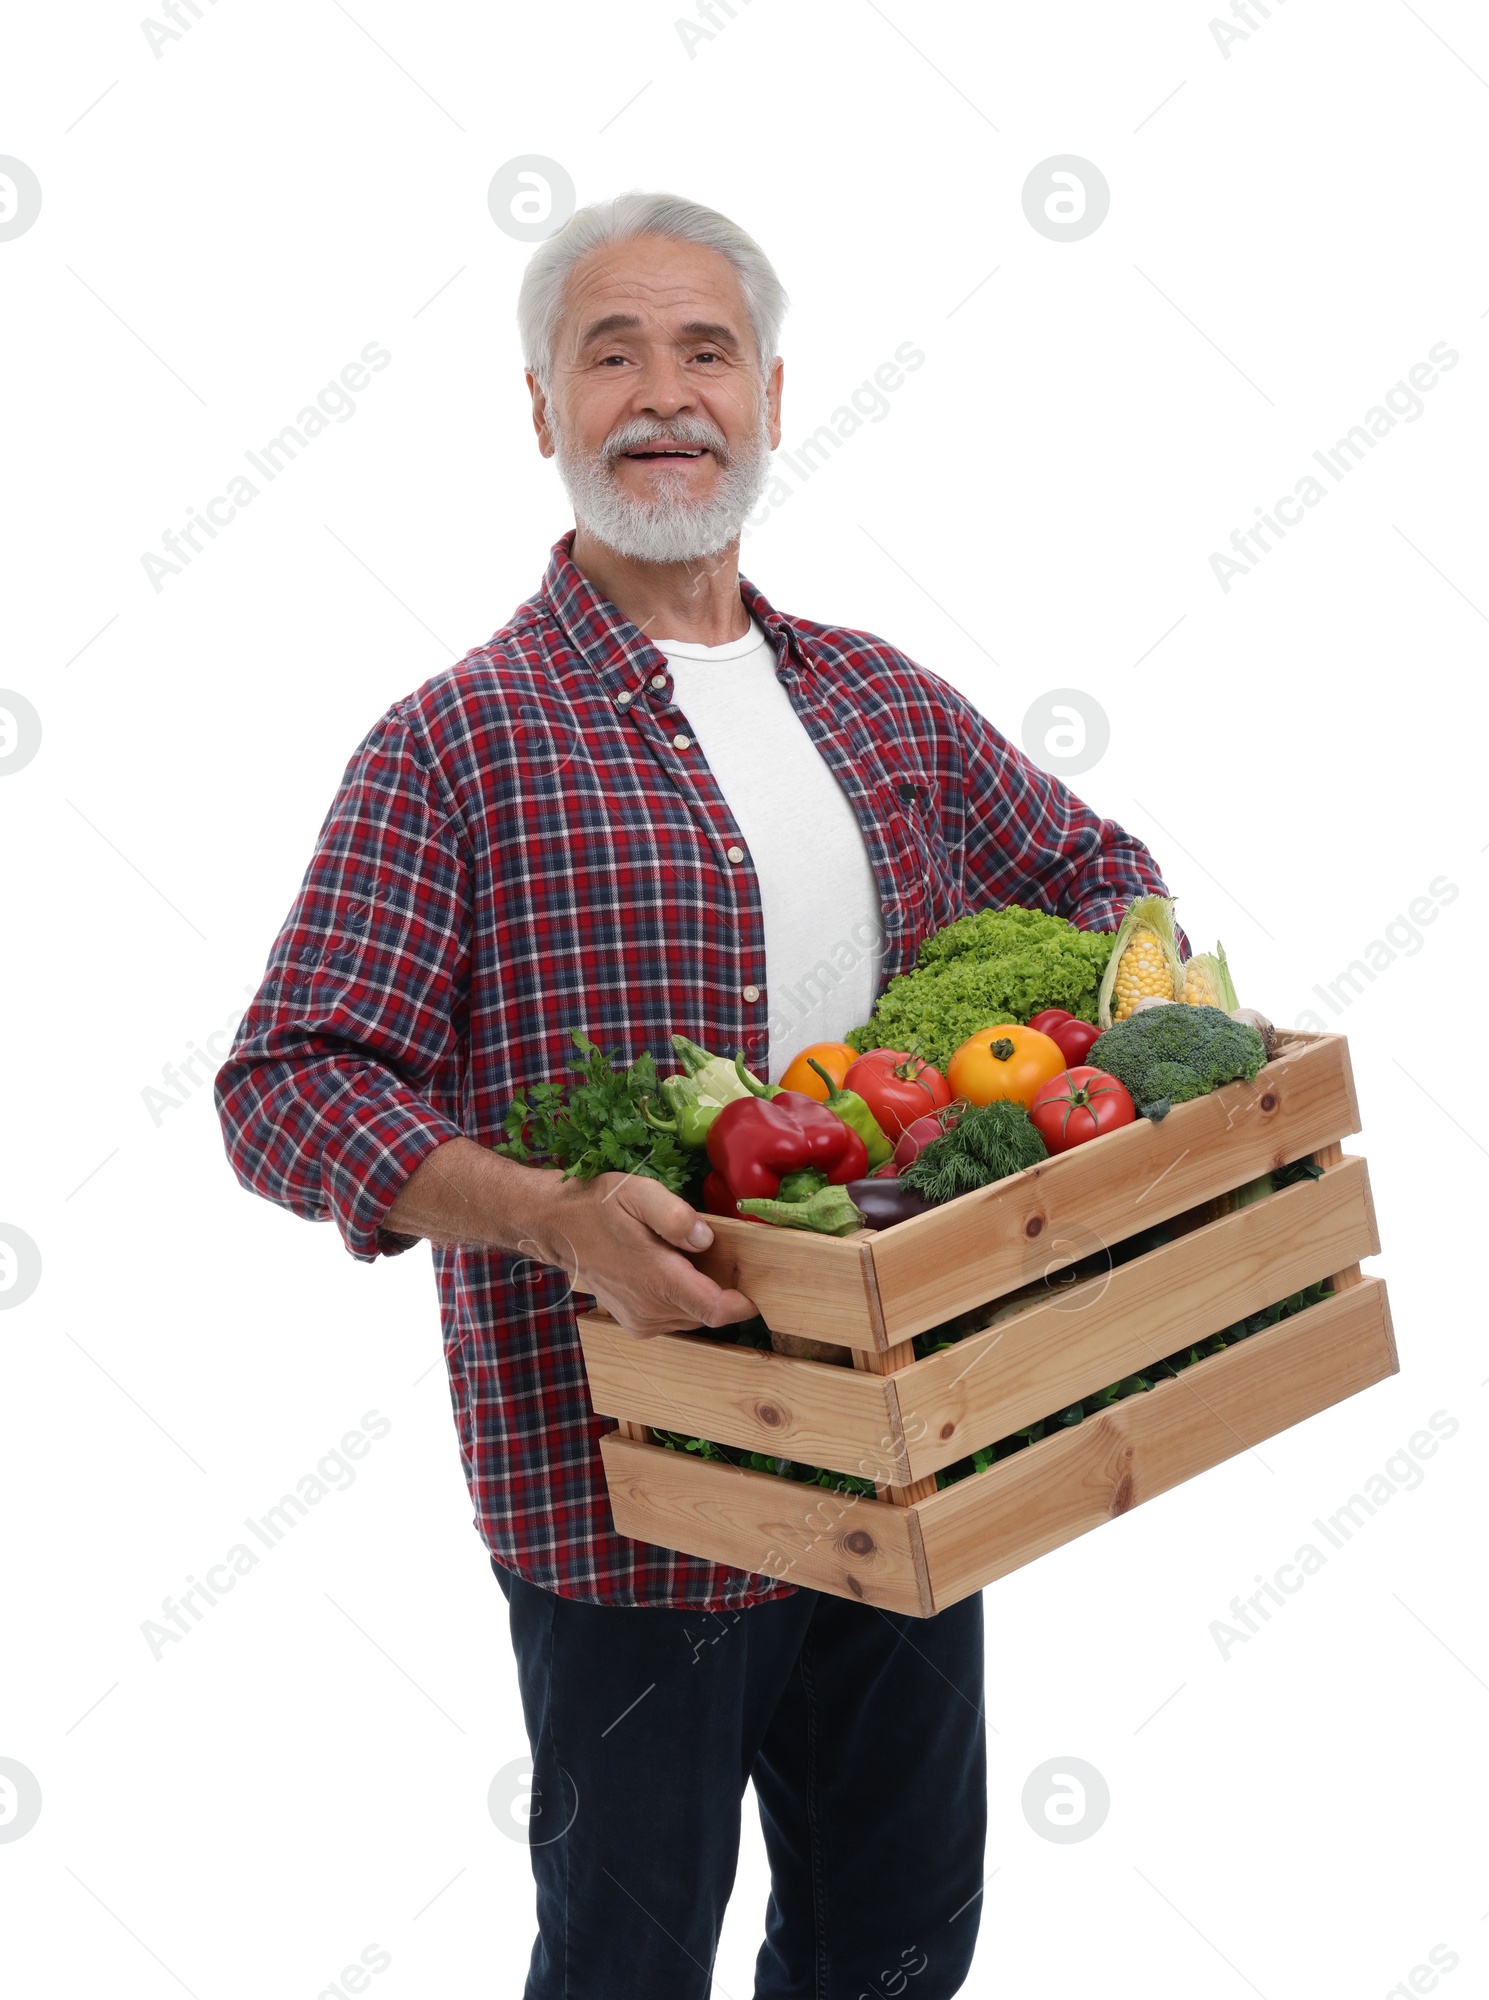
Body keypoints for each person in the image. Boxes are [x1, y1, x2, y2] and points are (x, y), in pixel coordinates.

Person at [215, 189, 1178, 2000]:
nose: (665, 395)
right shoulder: (459, 743)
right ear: (542, 409)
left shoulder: (884, 704)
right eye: (612, 352)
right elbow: (286, 1081)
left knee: (900, 1941)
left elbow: (1107, 884)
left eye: (705, 350)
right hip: (624, 1495)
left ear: (773, 394)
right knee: (625, 1967)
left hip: (905, 1443)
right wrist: (547, 1214)